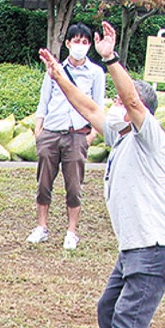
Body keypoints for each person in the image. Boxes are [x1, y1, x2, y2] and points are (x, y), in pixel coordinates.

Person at [38, 23, 165, 328]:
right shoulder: (120, 135)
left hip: (157, 247)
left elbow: (134, 103)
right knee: (108, 309)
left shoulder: (149, 135)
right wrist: (60, 76)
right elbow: (87, 107)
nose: (118, 107)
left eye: (125, 103)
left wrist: (110, 58)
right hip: (135, 248)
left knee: (127, 318)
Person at [31, 23, 105, 250]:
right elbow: (44, 101)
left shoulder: (96, 73)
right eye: (76, 41)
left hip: (77, 135)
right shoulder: (55, 69)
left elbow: (97, 105)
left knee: (74, 185)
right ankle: (41, 227)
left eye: (84, 42)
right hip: (52, 131)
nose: (80, 46)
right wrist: (39, 130)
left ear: (90, 46)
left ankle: (71, 231)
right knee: (44, 182)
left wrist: (91, 135)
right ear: (68, 44)